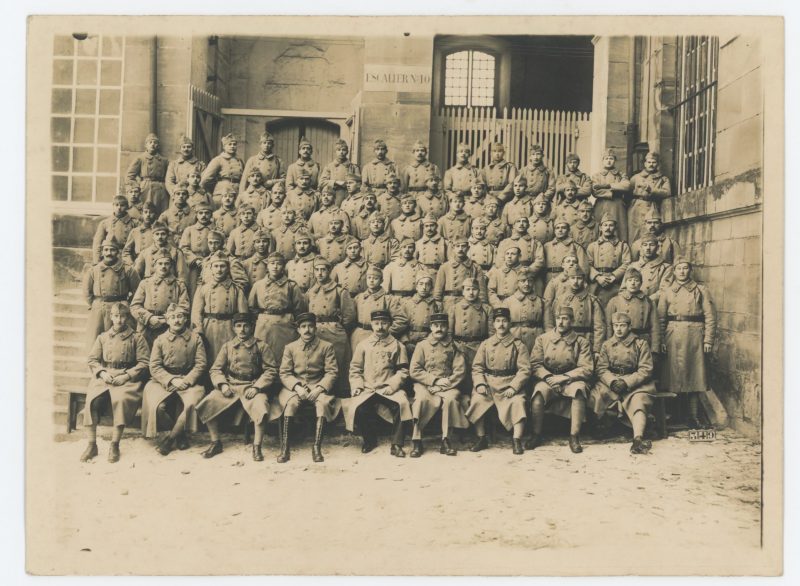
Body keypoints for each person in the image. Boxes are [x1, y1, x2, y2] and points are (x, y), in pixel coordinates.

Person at [196, 312, 278, 462]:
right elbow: (215, 369)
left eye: (246, 326)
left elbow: (271, 370)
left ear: (252, 327)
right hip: (231, 386)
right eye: (238, 326)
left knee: (261, 406)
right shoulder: (228, 346)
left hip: (252, 386)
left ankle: (257, 446)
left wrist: (258, 387)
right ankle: (215, 442)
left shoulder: (261, 346)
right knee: (208, 402)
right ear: (234, 328)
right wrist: (223, 385)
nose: (242, 330)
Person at [81, 303, 149, 463]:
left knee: (121, 401)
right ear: (111, 317)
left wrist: (126, 376)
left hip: (126, 379)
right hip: (105, 377)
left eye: (123, 316)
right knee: (93, 402)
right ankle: (92, 444)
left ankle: (114, 444)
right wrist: (102, 372)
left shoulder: (136, 337)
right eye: (116, 316)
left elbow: (144, 362)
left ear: (127, 317)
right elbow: (92, 359)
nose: (119, 320)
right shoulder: (103, 337)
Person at [273, 312, 341, 463]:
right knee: (290, 404)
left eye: (310, 326)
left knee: (322, 404)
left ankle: (316, 447)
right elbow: (284, 373)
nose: (307, 330)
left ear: (315, 328)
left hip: (318, 385)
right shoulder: (290, 347)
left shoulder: (326, 347)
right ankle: (285, 448)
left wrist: (319, 388)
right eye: (303, 327)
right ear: (298, 330)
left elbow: (332, 372)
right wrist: (297, 387)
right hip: (294, 387)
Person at [657, 256, 716, 429]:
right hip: (673, 335)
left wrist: (708, 340)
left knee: (695, 376)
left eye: (685, 268)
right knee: (673, 375)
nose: (682, 271)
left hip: (695, 336)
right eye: (679, 268)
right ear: (674, 272)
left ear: (690, 271)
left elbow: (710, 316)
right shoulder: (667, 292)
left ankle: (693, 417)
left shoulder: (701, 290)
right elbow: (661, 318)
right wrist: (661, 339)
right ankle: (673, 415)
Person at [343, 310, 412, 456]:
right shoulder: (363, 345)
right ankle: (369, 440)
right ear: (372, 325)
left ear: (390, 324)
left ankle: (396, 444)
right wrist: (357, 386)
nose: (380, 327)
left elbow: (403, 371)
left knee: (402, 404)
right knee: (359, 408)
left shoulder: (398, 346)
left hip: (388, 388)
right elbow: (355, 369)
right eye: (376, 323)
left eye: (384, 323)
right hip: (368, 387)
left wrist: (392, 385)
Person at [142, 303, 207, 454]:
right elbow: (154, 366)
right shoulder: (160, 340)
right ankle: (180, 434)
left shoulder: (195, 338)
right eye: (172, 317)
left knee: (192, 403)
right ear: (167, 320)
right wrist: (171, 380)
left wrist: (187, 380)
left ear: (185, 319)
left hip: (189, 380)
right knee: (157, 407)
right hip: (163, 380)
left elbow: (201, 364)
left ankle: (170, 439)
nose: (176, 320)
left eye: (180, 316)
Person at [466, 307, 531, 455]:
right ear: (493, 324)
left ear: (509, 324)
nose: (501, 324)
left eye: (504, 321)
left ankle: (517, 439)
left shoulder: (518, 345)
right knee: (477, 400)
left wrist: (514, 387)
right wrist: (481, 384)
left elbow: (525, 370)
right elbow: (477, 367)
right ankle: (481, 438)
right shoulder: (486, 344)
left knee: (518, 402)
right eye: (498, 321)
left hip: (509, 383)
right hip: (489, 383)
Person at [529, 305, 593, 453]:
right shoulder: (543, 339)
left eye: (565, 319)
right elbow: (535, 364)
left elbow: (586, 367)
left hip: (571, 379)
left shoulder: (581, 342)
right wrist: (549, 377)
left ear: (572, 321)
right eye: (558, 318)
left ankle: (574, 436)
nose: (561, 322)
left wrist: (563, 378)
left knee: (578, 391)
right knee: (538, 394)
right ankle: (536, 434)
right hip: (548, 378)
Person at [591, 312, 657, 454]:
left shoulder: (640, 344)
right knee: (597, 395)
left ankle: (637, 439)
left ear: (629, 326)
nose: (619, 329)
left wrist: (627, 382)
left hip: (635, 382)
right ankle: (603, 427)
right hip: (612, 380)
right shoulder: (607, 345)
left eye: (622, 326)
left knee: (639, 401)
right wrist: (612, 381)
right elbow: (601, 368)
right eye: (616, 326)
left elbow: (646, 369)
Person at [409, 312, 469, 457]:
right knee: (421, 400)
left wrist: (442, 385)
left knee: (451, 399)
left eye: (442, 325)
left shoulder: (454, 346)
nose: (439, 329)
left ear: (447, 327)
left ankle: (446, 439)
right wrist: (433, 380)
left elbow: (460, 371)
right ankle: (417, 440)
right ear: (430, 327)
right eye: (436, 325)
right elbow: (414, 370)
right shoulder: (422, 345)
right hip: (425, 384)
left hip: (448, 384)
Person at [307, 258, 356, 397]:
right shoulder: (311, 292)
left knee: (337, 365)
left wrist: (338, 328)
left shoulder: (339, 291)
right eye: (317, 270)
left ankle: (340, 397)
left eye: (323, 269)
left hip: (334, 333)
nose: (320, 273)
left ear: (329, 271)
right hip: (315, 332)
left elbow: (349, 316)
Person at [191, 250, 249, 366]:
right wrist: (199, 331)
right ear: (211, 268)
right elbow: (196, 313)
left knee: (230, 358)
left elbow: (243, 314)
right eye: (216, 266)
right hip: (209, 329)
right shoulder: (203, 288)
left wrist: (241, 331)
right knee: (209, 358)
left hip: (230, 328)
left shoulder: (236, 289)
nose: (219, 269)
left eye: (222, 266)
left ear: (228, 268)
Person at [83, 235, 140, 350]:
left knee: (120, 341)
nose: (109, 253)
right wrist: (95, 305)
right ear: (102, 252)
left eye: (112, 250)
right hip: (100, 309)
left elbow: (137, 291)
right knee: (96, 340)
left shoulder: (128, 270)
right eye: (106, 250)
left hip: (120, 308)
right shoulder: (93, 270)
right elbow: (87, 292)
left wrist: (126, 305)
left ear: (118, 252)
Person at [248, 251, 308, 359]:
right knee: (263, 356)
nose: (275, 267)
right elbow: (252, 307)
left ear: (283, 266)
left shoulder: (291, 285)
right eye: (272, 263)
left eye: (279, 264)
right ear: (267, 266)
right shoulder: (258, 285)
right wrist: (261, 318)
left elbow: (299, 309)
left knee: (285, 356)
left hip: (285, 326)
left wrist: (290, 321)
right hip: (263, 327)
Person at [130, 248, 190, 348]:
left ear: (171, 266)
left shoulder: (179, 285)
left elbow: (184, 308)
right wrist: (149, 318)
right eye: (160, 263)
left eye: (166, 264)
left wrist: (168, 319)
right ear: (154, 266)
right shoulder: (145, 283)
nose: (163, 266)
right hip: (147, 327)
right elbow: (135, 306)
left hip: (170, 327)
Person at [350, 264, 409, 353]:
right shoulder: (359, 298)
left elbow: (401, 320)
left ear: (381, 280)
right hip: (358, 337)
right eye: (369, 278)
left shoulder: (388, 299)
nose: (372, 281)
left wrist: (385, 332)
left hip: (378, 337)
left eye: (375, 278)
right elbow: (350, 317)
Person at [447, 277, 493, 387]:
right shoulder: (454, 308)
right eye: (468, 289)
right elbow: (449, 332)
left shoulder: (487, 309)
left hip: (479, 347)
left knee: (477, 375)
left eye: (474, 289)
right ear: (463, 291)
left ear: (479, 291)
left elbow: (491, 333)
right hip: (459, 347)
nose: (471, 293)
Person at [550, 266, 606, 355]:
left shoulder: (592, 300)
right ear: (568, 279)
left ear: (583, 280)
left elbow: (599, 327)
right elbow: (553, 323)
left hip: (585, 341)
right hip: (563, 342)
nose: (575, 281)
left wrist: (597, 350)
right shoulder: (560, 299)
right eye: (572, 278)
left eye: (579, 278)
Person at [605, 267, 661, 350]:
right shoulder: (615, 301)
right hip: (621, 342)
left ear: (641, 283)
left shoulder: (649, 302)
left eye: (636, 280)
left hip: (642, 342)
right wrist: (609, 345)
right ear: (625, 283)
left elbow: (655, 327)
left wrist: (655, 349)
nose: (633, 283)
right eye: (630, 280)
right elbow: (609, 326)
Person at [586, 213, 632, 306]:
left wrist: (614, 277)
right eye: (605, 225)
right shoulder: (592, 246)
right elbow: (587, 264)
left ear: (615, 227)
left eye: (611, 225)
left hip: (615, 283)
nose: (608, 228)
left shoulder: (622, 246)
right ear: (600, 228)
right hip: (597, 284)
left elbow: (627, 264)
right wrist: (598, 277)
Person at [434, 237, 487, 311]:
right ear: (453, 248)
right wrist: (438, 302)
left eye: (463, 246)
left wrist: (482, 305)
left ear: (468, 248)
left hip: (469, 302)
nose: (460, 249)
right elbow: (438, 290)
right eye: (457, 246)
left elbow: (481, 291)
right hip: (449, 303)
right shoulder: (445, 267)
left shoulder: (475, 267)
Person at [628, 151, 672, 241]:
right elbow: (628, 194)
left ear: (658, 164)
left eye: (654, 162)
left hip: (653, 206)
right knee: (635, 233)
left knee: (651, 233)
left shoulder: (663, 179)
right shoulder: (636, 178)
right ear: (645, 163)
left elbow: (667, 192)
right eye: (649, 162)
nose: (651, 164)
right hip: (637, 208)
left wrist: (651, 190)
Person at [591, 148, 631, 242]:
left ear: (615, 160)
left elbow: (626, 186)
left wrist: (608, 185)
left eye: (611, 158)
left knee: (620, 230)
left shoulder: (621, 175)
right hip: (601, 205)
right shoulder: (597, 176)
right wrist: (614, 191)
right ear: (603, 160)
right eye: (606, 158)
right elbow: (595, 191)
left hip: (617, 206)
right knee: (599, 229)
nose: (609, 161)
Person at [400, 271, 442, 359]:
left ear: (431, 287)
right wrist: (406, 342)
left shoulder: (436, 305)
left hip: (428, 342)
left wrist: (429, 341)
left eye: (427, 284)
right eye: (421, 284)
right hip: (409, 342)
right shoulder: (407, 304)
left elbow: (440, 327)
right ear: (416, 286)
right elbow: (401, 325)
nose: (424, 287)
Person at [126, 133, 170, 214]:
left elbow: (170, 177)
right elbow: (129, 176)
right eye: (150, 142)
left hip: (161, 190)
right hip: (146, 189)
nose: (153, 144)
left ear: (158, 146)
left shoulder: (164, 160)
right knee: (146, 211)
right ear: (146, 145)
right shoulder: (140, 158)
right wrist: (136, 188)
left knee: (161, 212)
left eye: (155, 142)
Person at [504, 266, 546, 352]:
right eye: (523, 281)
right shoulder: (508, 301)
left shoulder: (542, 302)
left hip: (536, 340)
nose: (527, 284)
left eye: (530, 281)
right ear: (517, 283)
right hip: (515, 338)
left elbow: (548, 325)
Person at [179, 202, 214, 299]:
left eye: (207, 213)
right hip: (194, 266)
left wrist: (210, 261)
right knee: (193, 290)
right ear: (196, 215)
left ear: (211, 215)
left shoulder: (215, 230)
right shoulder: (189, 230)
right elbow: (183, 248)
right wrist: (196, 260)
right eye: (201, 213)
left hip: (212, 264)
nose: (204, 215)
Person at [200, 133, 245, 209]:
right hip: (222, 192)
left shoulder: (240, 160)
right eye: (229, 144)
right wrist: (210, 192)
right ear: (224, 147)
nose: (232, 146)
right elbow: (205, 179)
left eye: (234, 144)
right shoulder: (218, 160)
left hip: (236, 192)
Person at [92, 195, 139, 264]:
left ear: (127, 207)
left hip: (128, 257)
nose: (119, 208)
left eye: (122, 205)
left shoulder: (134, 223)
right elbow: (97, 244)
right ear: (113, 206)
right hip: (110, 255)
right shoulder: (105, 223)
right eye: (116, 205)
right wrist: (97, 261)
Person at [542, 220, 589, 288]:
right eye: (557, 228)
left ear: (568, 230)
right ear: (554, 231)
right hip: (549, 278)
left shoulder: (575, 246)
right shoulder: (547, 246)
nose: (560, 230)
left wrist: (583, 281)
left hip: (568, 278)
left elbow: (583, 267)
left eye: (563, 228)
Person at [629, 234, 675, 302]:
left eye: (651, 245)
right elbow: (623, 289)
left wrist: (646, 301)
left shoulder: (666, 268)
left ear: (657, 247)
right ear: (641, 247)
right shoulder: (633, 266)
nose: (648, 248)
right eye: (645, 245)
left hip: (653, 304)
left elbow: (664, 290)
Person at [319, 138, 360, 208]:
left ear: (347, 151)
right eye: (339, 150)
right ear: (335, 152)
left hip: (349, 196)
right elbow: (321, 182)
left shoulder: (353, 167)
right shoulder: (329, 167)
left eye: (343, 150)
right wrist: (335, 182)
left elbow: (359, 183)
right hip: (334, 197)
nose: (341, 152)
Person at [123, 202, 157, 267]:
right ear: (142, 214)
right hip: (138, 264)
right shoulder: (135, 231)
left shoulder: (160, 231)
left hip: (154, 264)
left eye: (151, 212)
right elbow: (126, 252)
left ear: (155, 214)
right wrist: (131, 264)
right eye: (145, 212)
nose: (148, 215)